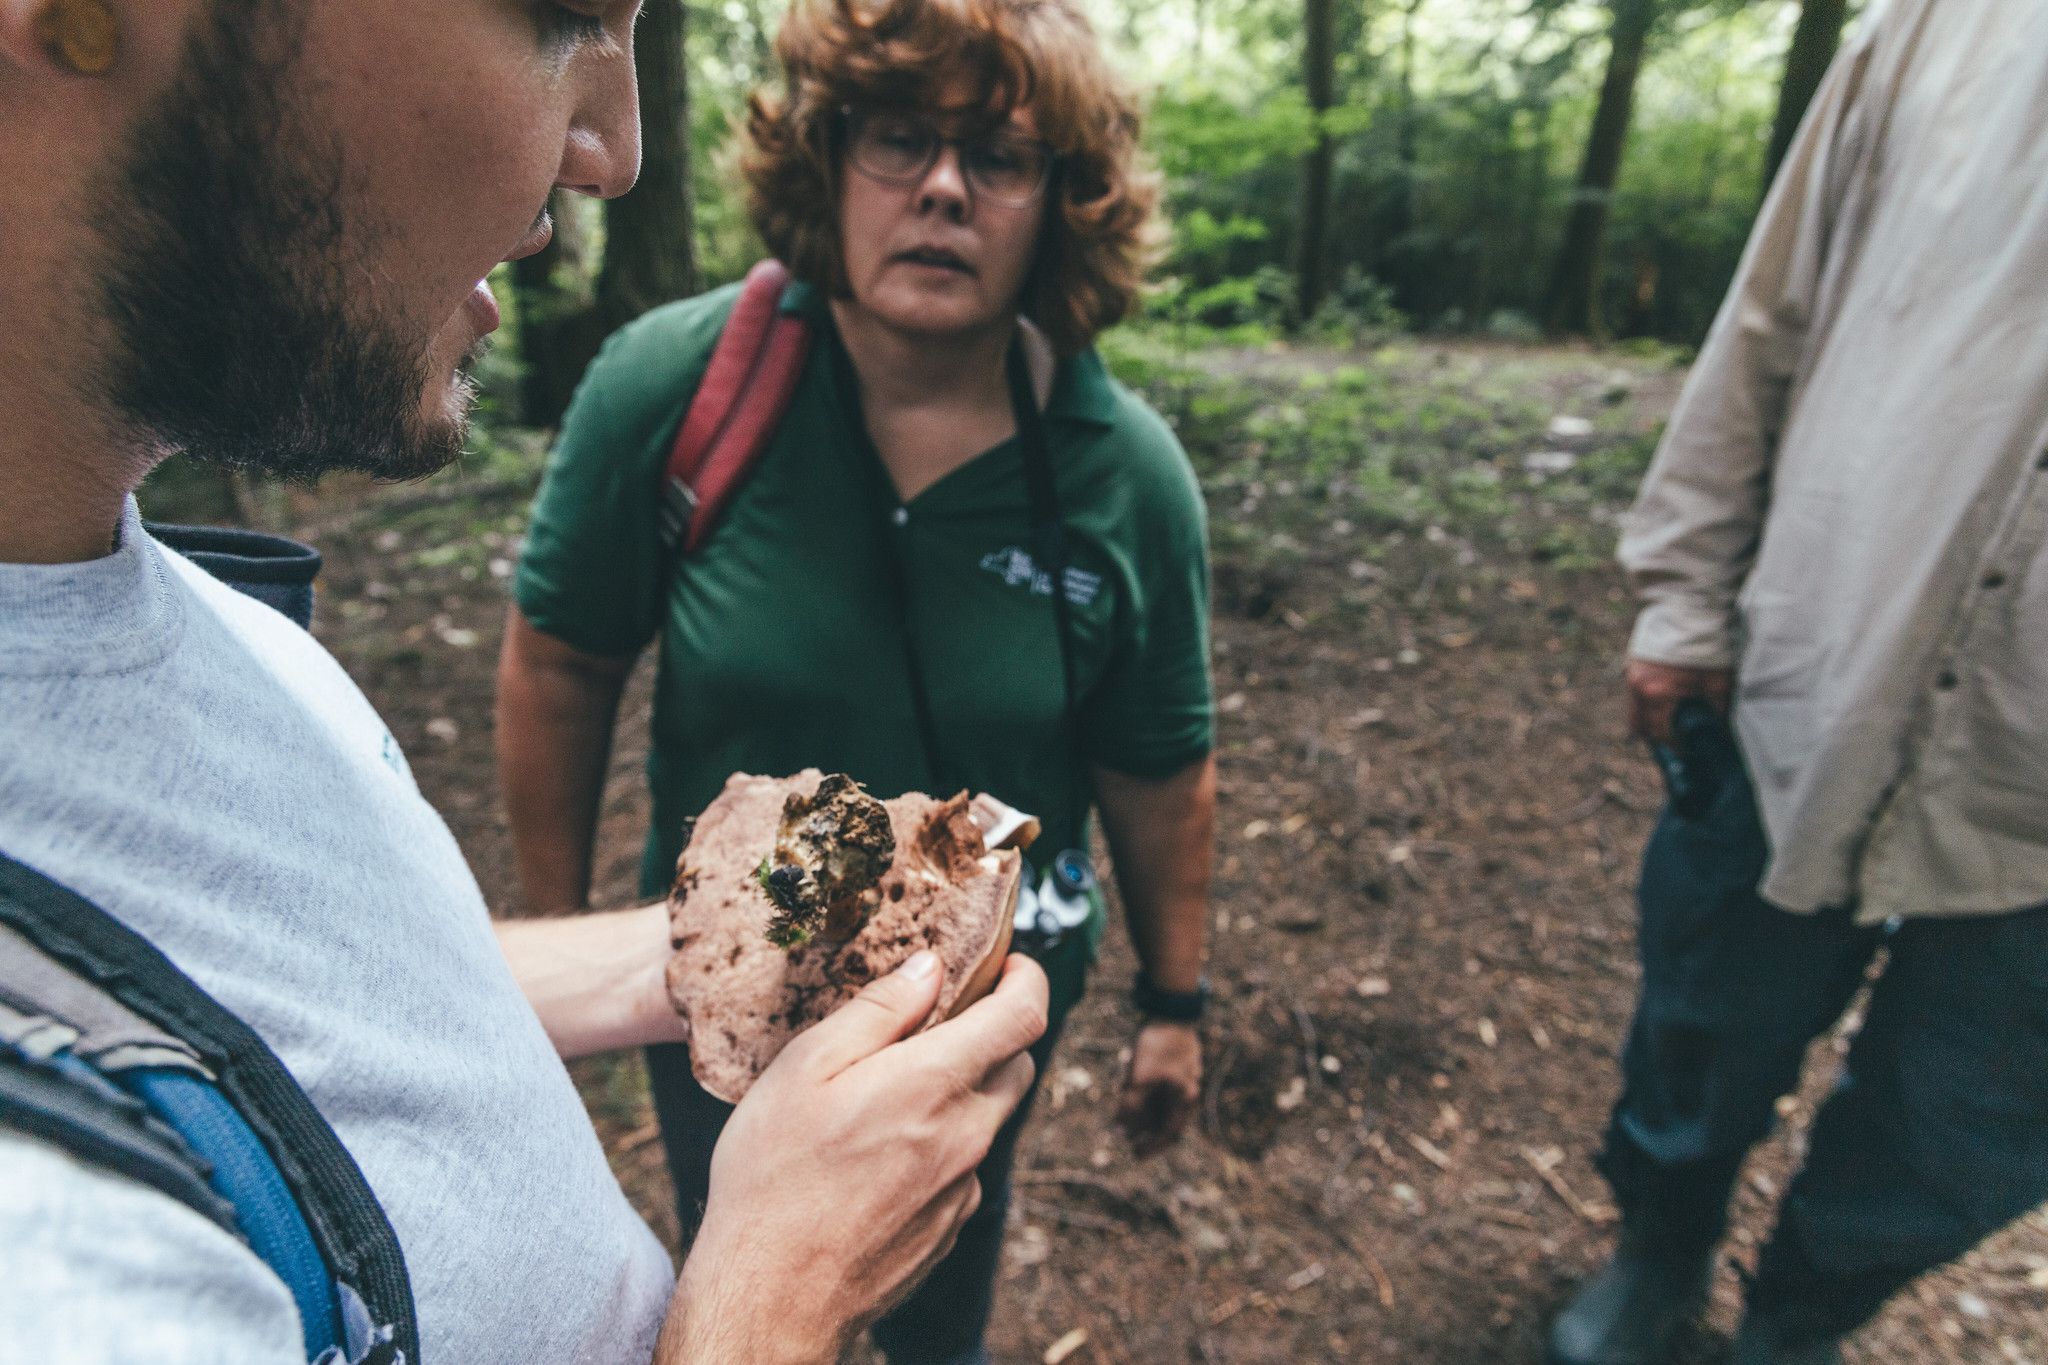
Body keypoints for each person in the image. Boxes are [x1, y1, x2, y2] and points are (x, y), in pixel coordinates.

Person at [0, 0, 1050, 1360]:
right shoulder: (44, 1244)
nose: (615, 149)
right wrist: (772, 1294)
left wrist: (714, 949)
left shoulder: (177, 612)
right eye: (556, 16)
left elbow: (316, 1013)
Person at [498, 0, 1217, 1359]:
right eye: (899, 137)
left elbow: (1160, 766)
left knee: (941, 1271)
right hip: (716, 976)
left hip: (982, 989)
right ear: (825, 157)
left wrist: (1174, 1007)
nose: (943, 187)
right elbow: (560, 662)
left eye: (1000, 157)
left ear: (1061, 200)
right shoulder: (677, 386)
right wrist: (561, 941)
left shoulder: (1122, 478)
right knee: (741, 1256)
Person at [1548, 3, 2048, 1364]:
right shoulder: (1940, 26)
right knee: (1708, 1013)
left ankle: (1801, 1321)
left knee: (1975, 1118)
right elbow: (1768, 312)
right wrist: (1684, 594)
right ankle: (1659, 1246)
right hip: (1820, 671)